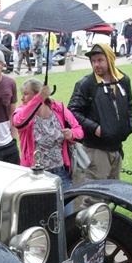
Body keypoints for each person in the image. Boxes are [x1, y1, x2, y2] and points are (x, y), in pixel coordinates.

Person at [14, 79, 83, 213]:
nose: (22, 98)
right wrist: (39, 98)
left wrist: (71, 134)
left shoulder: (59, 108)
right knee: (41, 217)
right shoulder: (21, 112)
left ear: (37, 93)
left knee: (66, 217)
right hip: (36, 176)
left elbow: (79, 130)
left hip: (61, 174)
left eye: (26, 94)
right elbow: (19, 123)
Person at [67, 43, 132, 182]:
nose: (96, 65)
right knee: (94, 196)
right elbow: (72, 112)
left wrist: (128, 126)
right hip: (96, 149)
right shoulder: (86, 84)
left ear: (109, 59)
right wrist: (95, 128)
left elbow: (129, 106)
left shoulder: (123, 81)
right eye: (93, 61)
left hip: (117, 147)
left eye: (100, 60)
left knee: (113, 192)